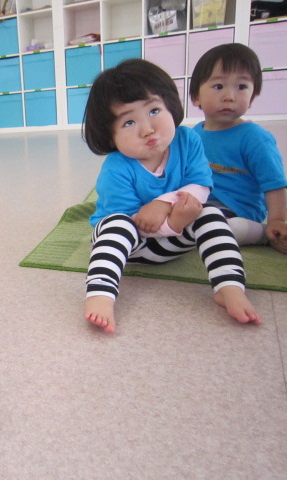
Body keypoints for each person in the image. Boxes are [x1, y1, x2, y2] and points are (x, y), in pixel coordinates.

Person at [81, 59, 261, 334]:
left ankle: (229, 286)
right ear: (110, 136)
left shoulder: (187, 140)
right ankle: (101, 293)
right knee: (116, 225)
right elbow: (136, 223)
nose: (147, 129)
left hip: (172, 244)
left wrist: (164, 203)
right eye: (129, 122)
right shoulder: (116, 168)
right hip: (132, 247)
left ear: (170, 106)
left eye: (154, 111)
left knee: (211, 214)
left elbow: (201, 185)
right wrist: (174, 222)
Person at [189, 43, 287, 254]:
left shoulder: (255, 138)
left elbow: (274, 184)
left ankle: (262, 234)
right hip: (200, 205)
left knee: (222, 228)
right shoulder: (193, 135)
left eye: (241, 87)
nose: (230, 96)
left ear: (252, 98)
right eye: (218, 86)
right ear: (196, 96)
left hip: (239, 212)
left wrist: (277, 220)